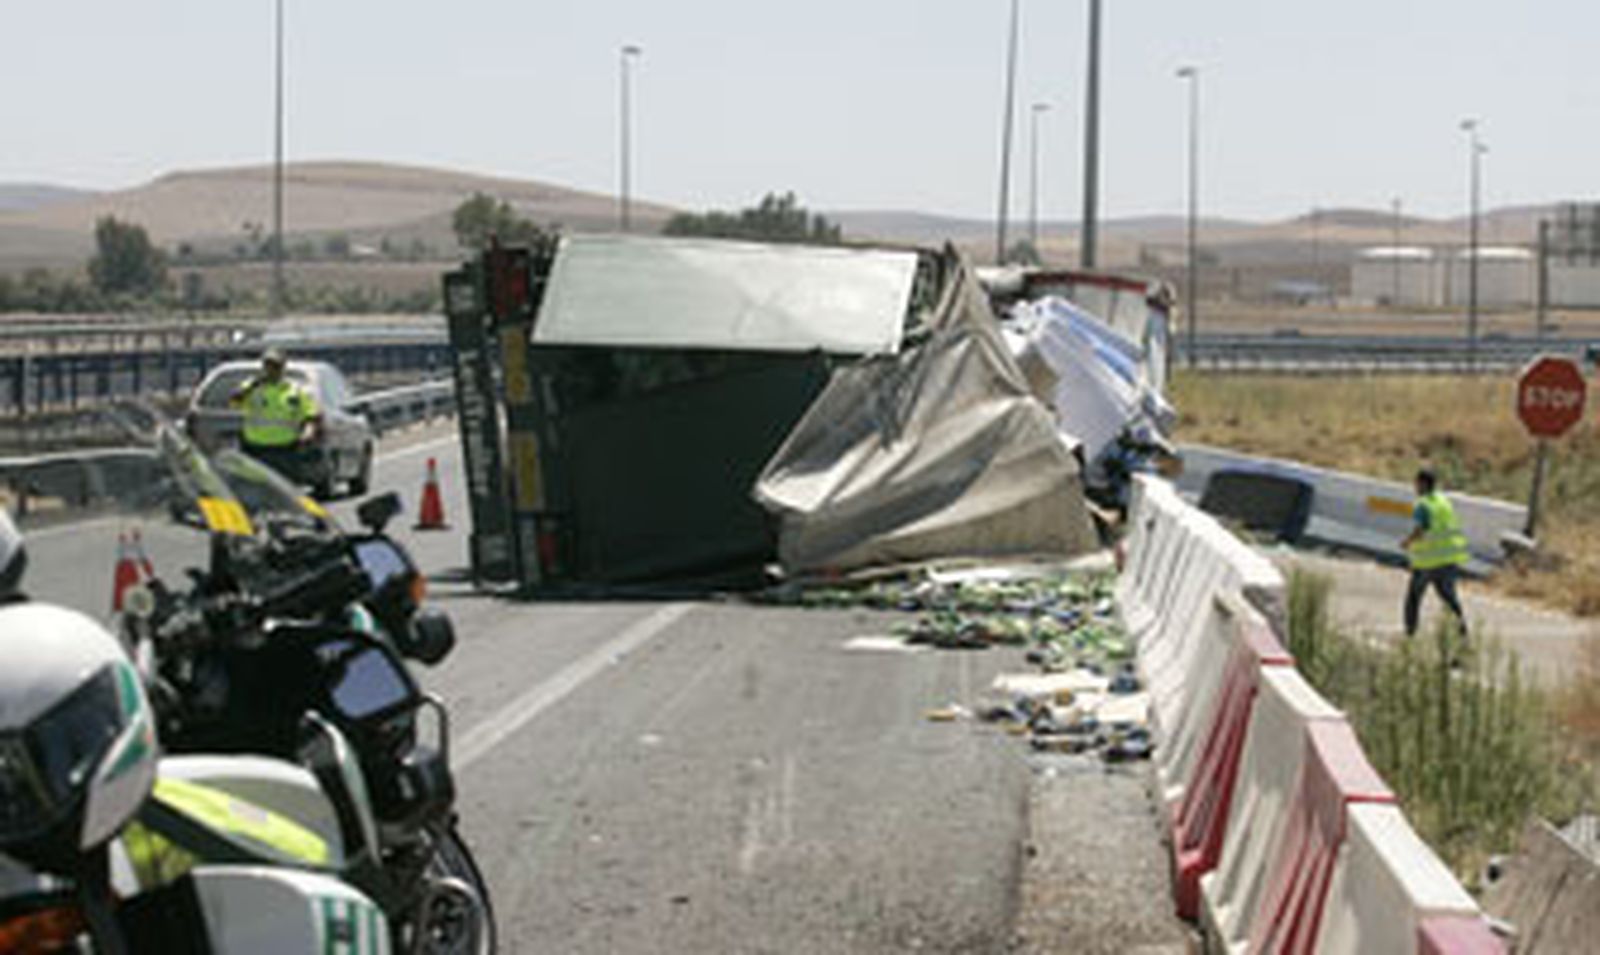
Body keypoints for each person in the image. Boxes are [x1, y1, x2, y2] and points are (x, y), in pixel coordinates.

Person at [229, 348, 322, 480]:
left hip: (285, 450)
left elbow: (310, 415)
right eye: (268, 365)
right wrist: (250, 387)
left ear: (283, 368)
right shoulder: (252, 387)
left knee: (284, 491)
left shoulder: (294, 390)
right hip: (256, 449)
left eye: (276, 366)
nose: (271, 370)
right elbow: (234, 401)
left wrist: (308, 432)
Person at [1399, 467, 1469, 638]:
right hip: (1449, 558)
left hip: (1428, 561)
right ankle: (1462, 633)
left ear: (1422, 484)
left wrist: (1407, 542)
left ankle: (1410, 633)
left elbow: (1422, 528)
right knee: (1449, 600)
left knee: (1413, 598)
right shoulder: (1444, 501)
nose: (1414, 487)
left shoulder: (1422, 504)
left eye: (1416, 483)